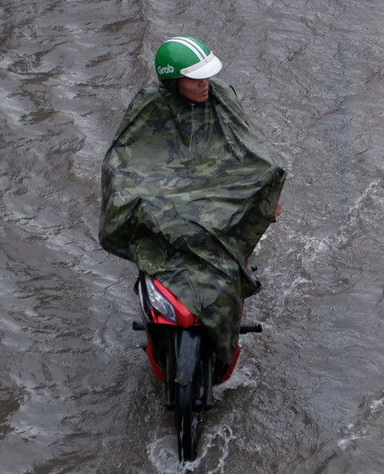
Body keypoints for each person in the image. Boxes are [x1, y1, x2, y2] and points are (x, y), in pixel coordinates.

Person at [98, 36, 285, 371]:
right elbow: (126, 154)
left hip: (214, 185)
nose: (205, 84)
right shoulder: (150, 104)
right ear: (174, 81)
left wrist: (269, 190)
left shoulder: (221, 97)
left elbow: (248, 146)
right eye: (195, 79)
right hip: (167, 189)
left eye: (206, 77)